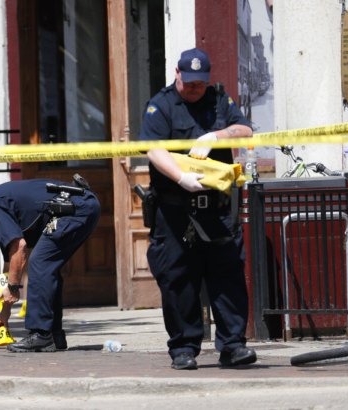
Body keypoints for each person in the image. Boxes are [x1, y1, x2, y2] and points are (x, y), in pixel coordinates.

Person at [139, 48, 257, 370]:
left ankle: (233, 346)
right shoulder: (160, 105)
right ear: (177, 73)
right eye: (189, 83)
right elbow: (152, 147)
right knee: (179, 280)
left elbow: (245, 131)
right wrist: (180, 177)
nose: (194, 89)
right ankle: (183, 348)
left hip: (218, 209)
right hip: (176, 209)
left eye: (199, 84)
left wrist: (215, 136)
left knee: (228, 275)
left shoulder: (219, 99)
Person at [0, 178, 100, 353]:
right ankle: (54, 336)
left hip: (76, 209)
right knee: (46, 268)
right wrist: (5, 311)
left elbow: (20, 248)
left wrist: (14, 288)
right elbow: (10, 264)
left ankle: (41, 335)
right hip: (81, 206)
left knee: (40, 263)